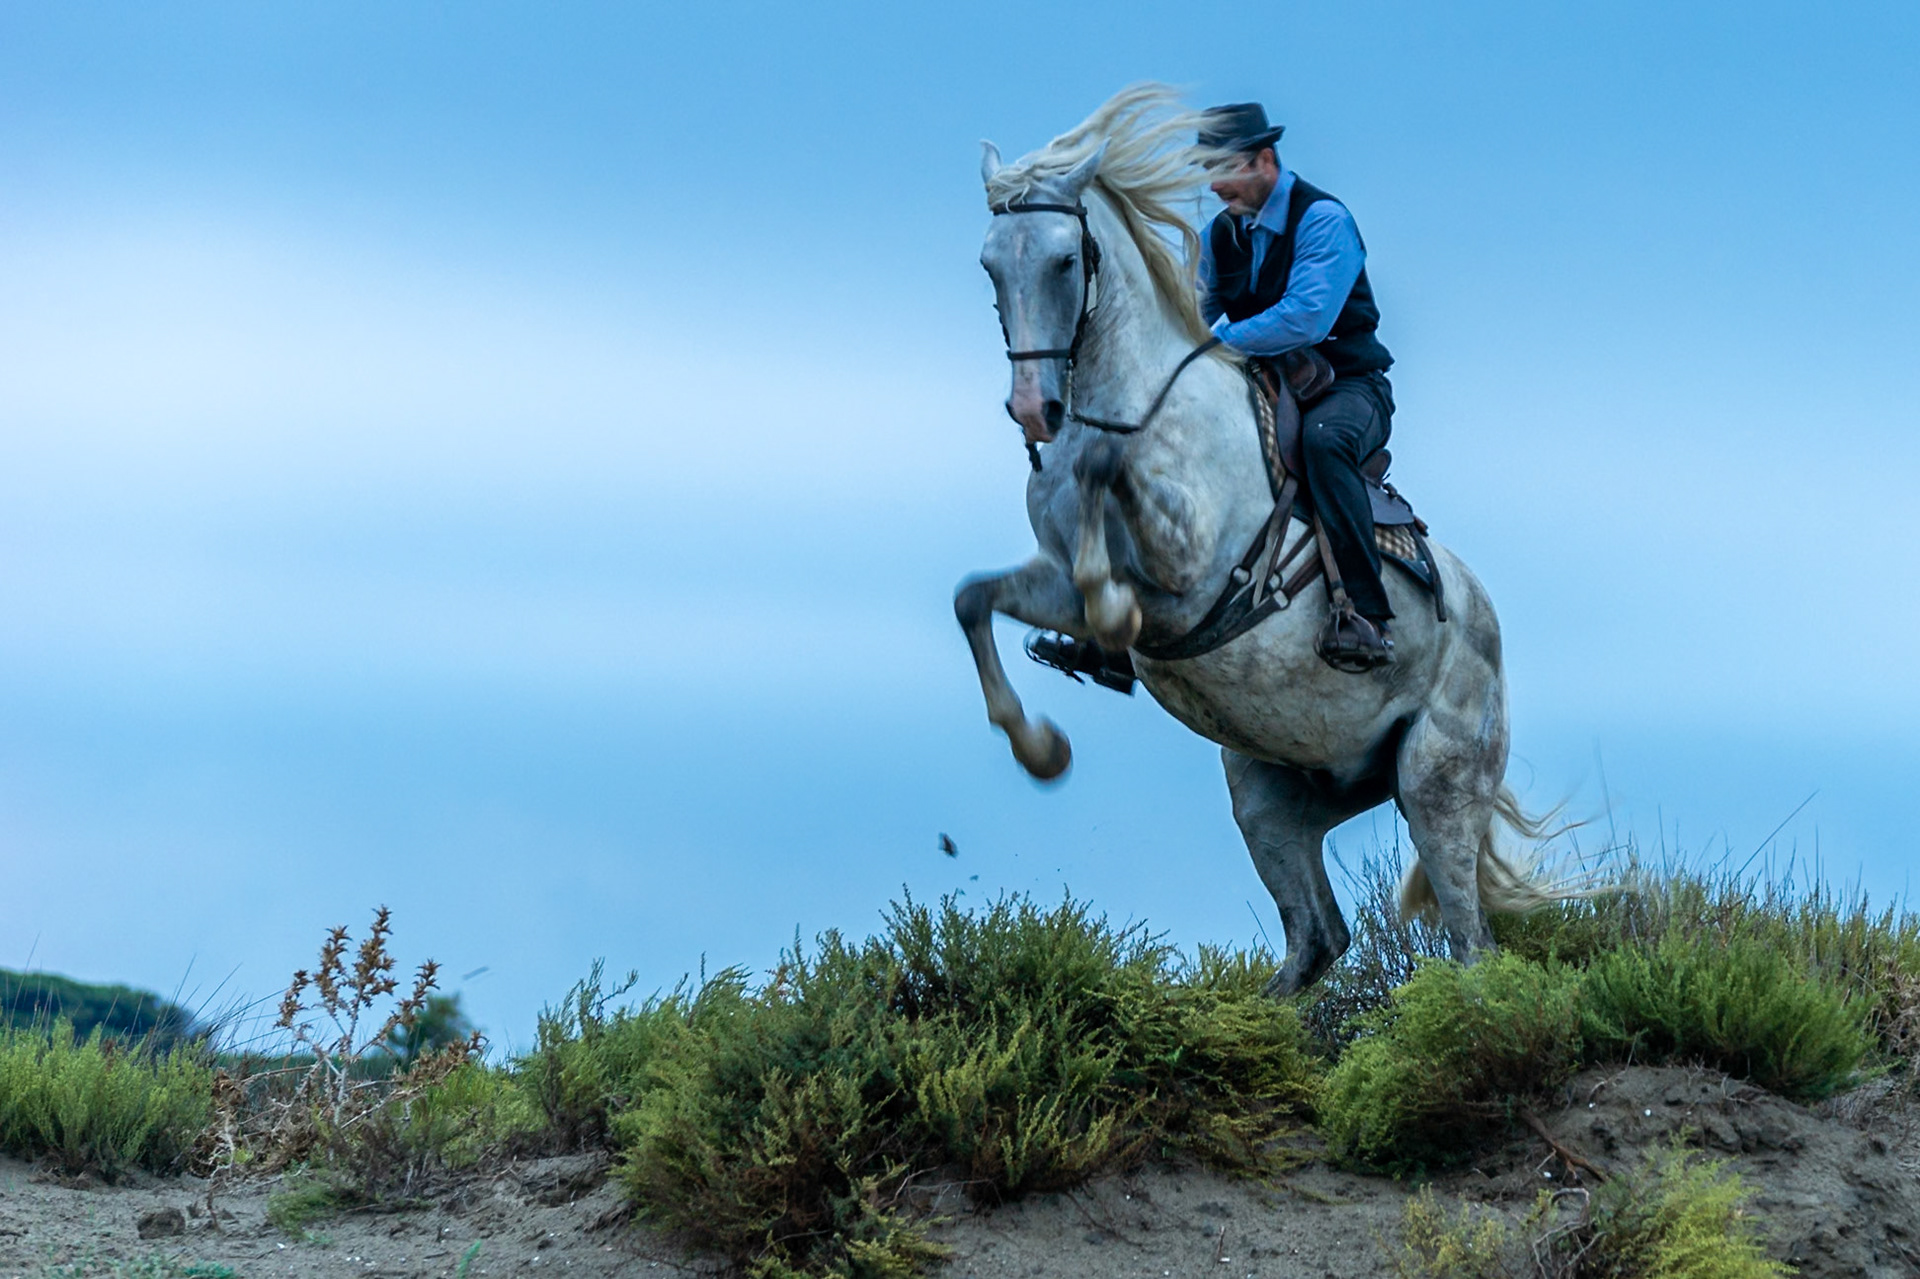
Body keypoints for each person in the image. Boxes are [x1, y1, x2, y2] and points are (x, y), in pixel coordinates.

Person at [1196, 102, 1398, 671]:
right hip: (1261, 381)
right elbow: (1195, 309)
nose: (1213, 186)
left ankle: (1366, 614)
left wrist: (1215, 344)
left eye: (1223, 168)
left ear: (1265, 159)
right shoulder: (1220, 236)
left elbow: (1305, 317)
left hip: (1347, 387)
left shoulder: (1325, 220)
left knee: (1325, 441)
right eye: (1206, 170)